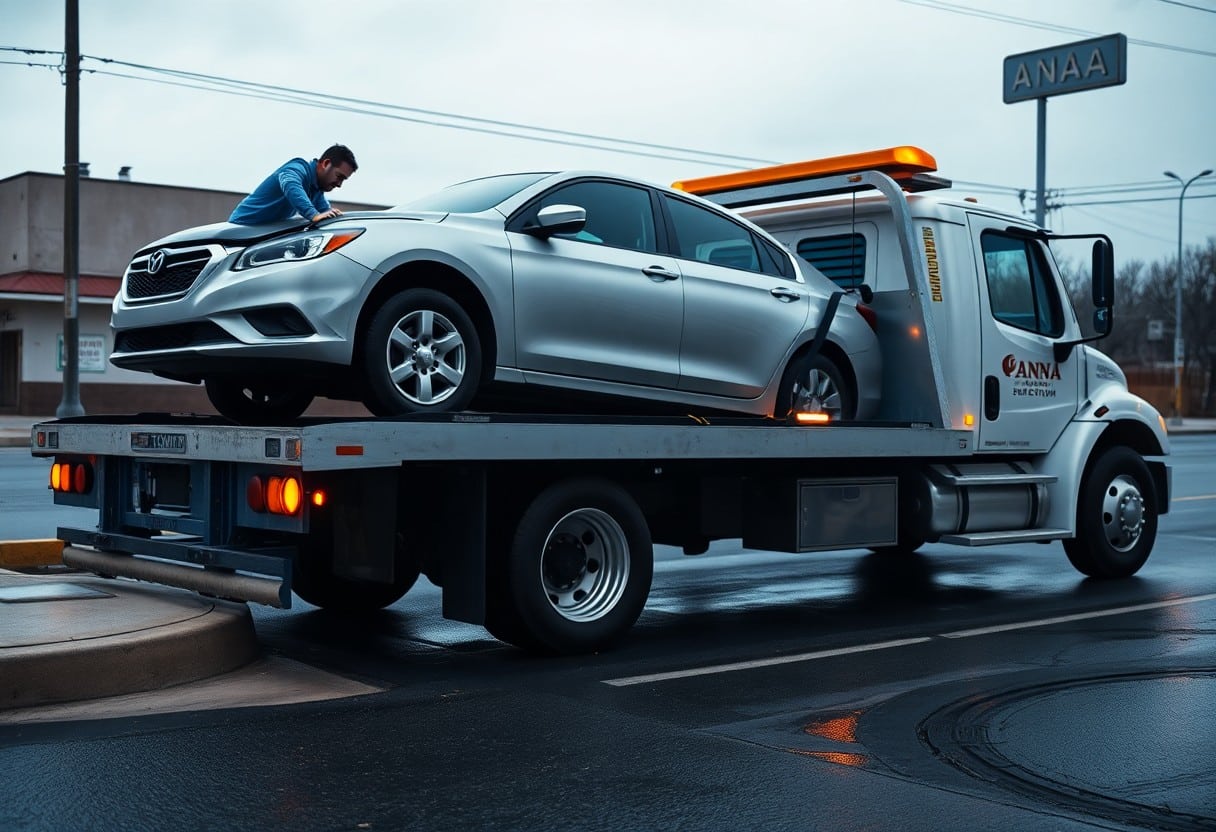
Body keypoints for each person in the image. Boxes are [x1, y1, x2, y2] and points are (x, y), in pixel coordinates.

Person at [229, 144, 358, 225]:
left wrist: (333, 216)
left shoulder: (316, 191)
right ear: (325, 164)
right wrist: (314, 215)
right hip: (241, 228)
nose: (340, 184)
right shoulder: (297, 168)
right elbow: (291, 184)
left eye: (344, 180)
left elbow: (325, 214)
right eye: (339, 176)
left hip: (261, 235)